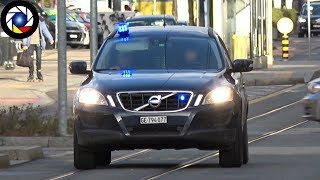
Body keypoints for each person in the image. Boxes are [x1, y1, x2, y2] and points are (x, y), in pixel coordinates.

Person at [22, 15, 54, 82]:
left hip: (38, 43)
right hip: (30, 43)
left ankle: (39, 74)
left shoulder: (41, 23)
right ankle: (31, 74)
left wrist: (51, 39)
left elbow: (45, 31)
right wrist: (24, 44)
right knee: (30, 59)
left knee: (39, 59)